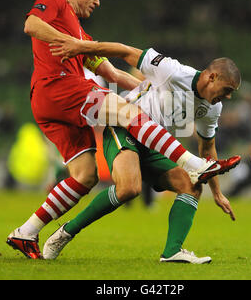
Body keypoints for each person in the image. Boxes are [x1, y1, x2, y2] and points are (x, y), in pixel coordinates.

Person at [7, 0, 239, 259]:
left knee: (85, 176)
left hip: (57, 107)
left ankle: (26, 232)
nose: (98, 2)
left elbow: (113, 73)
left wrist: (148, 86)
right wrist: (69, 42)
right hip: (57, 86)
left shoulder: (83, 36)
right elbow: (31, 24)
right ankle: (194, 163)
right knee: (128, 113)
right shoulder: (55, 1)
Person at [42, 39, 241, 263]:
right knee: (129, 188)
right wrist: (81, 48)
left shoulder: (212, 107)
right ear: (212, 77)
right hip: (124, 127)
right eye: (227, 90)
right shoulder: (173, 71)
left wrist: (217, 193)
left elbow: (207, 148)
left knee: (191, 186)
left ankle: (172, 251)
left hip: (154, 145)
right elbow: (125, 51)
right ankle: (65, 232)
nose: (228, 97)